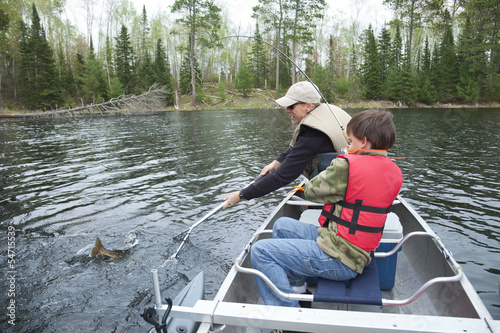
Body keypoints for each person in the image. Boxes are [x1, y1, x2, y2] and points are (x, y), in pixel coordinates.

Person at [250, 109, 403, 307]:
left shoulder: (346, 166)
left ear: (363, 142)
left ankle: (287, 317)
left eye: (350, 141)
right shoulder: (394, 172)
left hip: (339, 258)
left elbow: (311, 192)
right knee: (281, 225)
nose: (348, 146)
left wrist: (339, 162)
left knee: (260, 250)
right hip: (353, 251)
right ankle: (297, 290)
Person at [223, 81, 351, 209]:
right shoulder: (328, 112)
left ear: (308, 106)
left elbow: (282, 176)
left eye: (290, 106)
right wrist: (277, 161)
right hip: (347, 183)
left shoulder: (314, 135)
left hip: (341, 195)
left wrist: (241, 195)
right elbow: (297, 148)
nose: (287, 111)